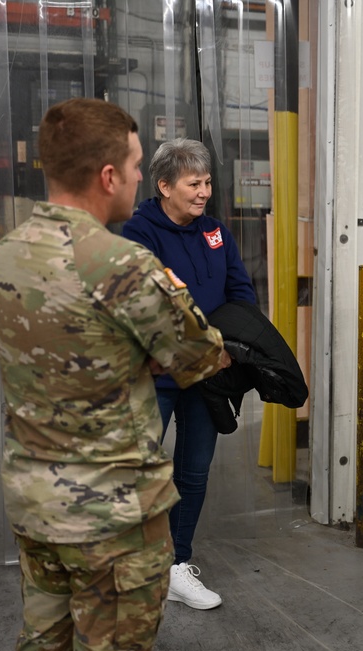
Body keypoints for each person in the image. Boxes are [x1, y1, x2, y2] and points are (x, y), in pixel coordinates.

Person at [0, 98, 227, 651]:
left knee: (43, 648)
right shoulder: (123, 266)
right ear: (109, 175)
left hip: (34, 505)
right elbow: (201, 356)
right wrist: (155, 339)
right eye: (139, 164)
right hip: (109, 518)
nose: (144, 176)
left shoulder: (7, 255)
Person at [122, 138, 257, 610]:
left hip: (208, 377)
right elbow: (144, 309)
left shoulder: (215, 233)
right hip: (153, 378)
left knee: (193, 473)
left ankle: (178, 566)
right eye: (193, 184)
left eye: (207, 183)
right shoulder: (138, 234)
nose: (204, 192)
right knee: (138, 474)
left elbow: (241, 294)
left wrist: (233, 349)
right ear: (164, 186)